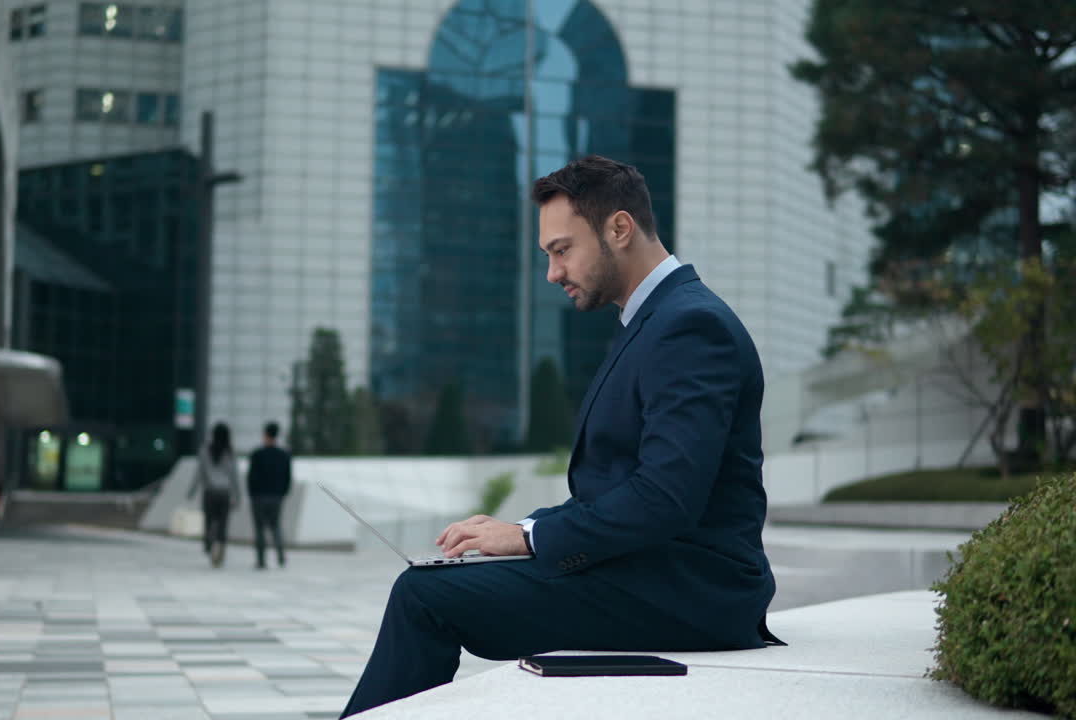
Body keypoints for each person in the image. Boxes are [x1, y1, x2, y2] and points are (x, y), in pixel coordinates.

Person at [341, 155, 782, 717]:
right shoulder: (655, 320)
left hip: (692, 591)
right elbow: (620, 486)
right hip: (653, 573)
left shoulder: (690, 327)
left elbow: (665, 497)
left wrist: (528, 540)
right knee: (433, 585)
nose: (553, 273)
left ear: (619, 229)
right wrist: (524, 528)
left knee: (424, 596)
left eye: (561, 250)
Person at [187, 422, 240, 568]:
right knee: (223, 524)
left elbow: (199, 473)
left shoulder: (205, 450)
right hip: (224, 493)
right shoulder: (230, 452)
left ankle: (209, 544)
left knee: (209, 521)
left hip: (209, 492)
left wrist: (191, 491)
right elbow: (234, 476)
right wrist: (237, 496)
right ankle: (220, 553)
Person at [248, 421, 291, 569]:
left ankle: (261, 560)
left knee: (259, 528)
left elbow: (251, 477)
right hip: (276, 496)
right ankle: (281, 556)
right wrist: (283, 493)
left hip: (259, 496)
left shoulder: (257, 454)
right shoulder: (284, 455)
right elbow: (287, 477)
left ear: (265, 435)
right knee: (276, 526)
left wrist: (252, 494)